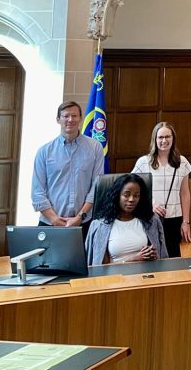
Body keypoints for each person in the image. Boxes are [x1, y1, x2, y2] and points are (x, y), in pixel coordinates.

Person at [31, 101, 105, 235]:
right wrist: (54, 219)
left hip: (84, 222)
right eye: (65, 116)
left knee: (83, 257)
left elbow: (97, 187)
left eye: (74, 116)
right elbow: (37, 192)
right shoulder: (44, 151)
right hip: (50, 223)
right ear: (58, 119)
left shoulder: (95, 148)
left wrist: (79, 217)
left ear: (80, 119)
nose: (70, 120)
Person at [132, 122, 191, 257]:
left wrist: (186, 222)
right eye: (160, 137)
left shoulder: (182, 162)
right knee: (151, 256)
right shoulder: (143, 162)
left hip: (174, 218)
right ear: (155, 139)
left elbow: (185, 193)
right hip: (150, 218)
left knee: (173, 257)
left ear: (173, 139)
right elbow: (132, 189)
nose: (164, 141)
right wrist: (151, 204)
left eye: (167, 137)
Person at [84, 174, 168, 265]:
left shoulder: (151, 221)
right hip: (115, 277)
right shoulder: (100, 226)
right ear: (117, 195)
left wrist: (154, 256)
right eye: (126, 195)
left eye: (136, 196)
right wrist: (133, 258)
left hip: (145, 275)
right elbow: (101, 268)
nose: (131, 199)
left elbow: (162, 259)